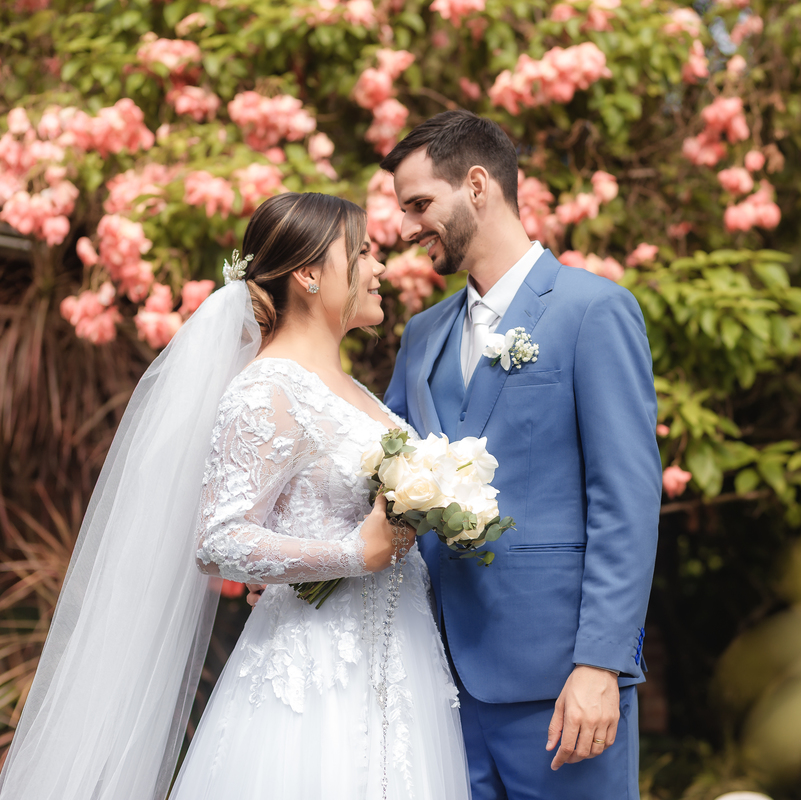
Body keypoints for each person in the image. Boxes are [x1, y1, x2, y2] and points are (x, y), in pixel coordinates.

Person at [0, 192, 470, 800]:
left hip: (399, 658)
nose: (379, 269)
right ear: (307, 274)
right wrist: (354, 553)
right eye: (362, 253)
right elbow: (220, 541)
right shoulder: (265, 389)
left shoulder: (352, 389)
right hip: (314, 671)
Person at [378, 109, 661, 800]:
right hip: (440, 682)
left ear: (477, 185)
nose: (408, 227)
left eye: (420, 204)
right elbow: (377, 468)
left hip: (563, 687)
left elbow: (626, 500)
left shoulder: (594, 311)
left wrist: (600, 664)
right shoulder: (422, 336)